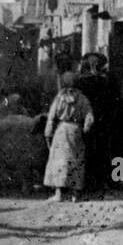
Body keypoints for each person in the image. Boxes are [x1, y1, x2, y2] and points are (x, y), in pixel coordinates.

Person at [76, 52, 123, 195]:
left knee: (95, 150)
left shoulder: (81, 82)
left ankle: (97, 181)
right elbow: (119, 98)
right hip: (108, 120)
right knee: (113, 149)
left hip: (96, 121)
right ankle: (115, 179)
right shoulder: (109, 79)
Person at [43, 72, 94, 202]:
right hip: (75, 131)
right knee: (76, 160)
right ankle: (75, 194)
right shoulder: (82, 98)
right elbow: (89, 116)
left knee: (59, 161)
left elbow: (51, 117)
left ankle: (59, 193)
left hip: (61, 131)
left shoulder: (59, 98)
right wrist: (86, 128)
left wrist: (48, 133)